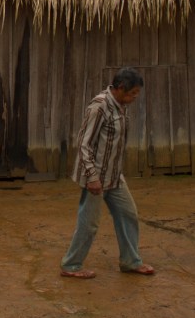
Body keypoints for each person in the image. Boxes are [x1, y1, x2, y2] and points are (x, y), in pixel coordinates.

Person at [60, 67, 155, 279]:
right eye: (132, 93)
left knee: (128, 214)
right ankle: (71, 265)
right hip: (95, 177)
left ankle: (131, 261)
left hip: (114, 175)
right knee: (89, 223)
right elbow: (84, 145)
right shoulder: (99, 107)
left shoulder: (120, 105)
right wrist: (92, 178)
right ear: (120, 88)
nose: (134, 98)